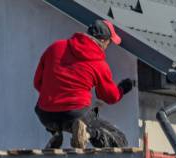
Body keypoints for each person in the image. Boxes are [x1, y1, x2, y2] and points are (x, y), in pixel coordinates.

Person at [33, 19, 135, 149]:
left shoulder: (54, 48)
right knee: (119, 139)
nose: (107, 48)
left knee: (43, 106)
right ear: (103, 41)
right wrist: (123, 88)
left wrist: (55, 95)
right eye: (109, 43)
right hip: (75, 114)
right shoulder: (99, 63)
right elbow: (109, 97)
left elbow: (37, 83)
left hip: (46, 115)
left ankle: (56, 133)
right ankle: (88, 134)